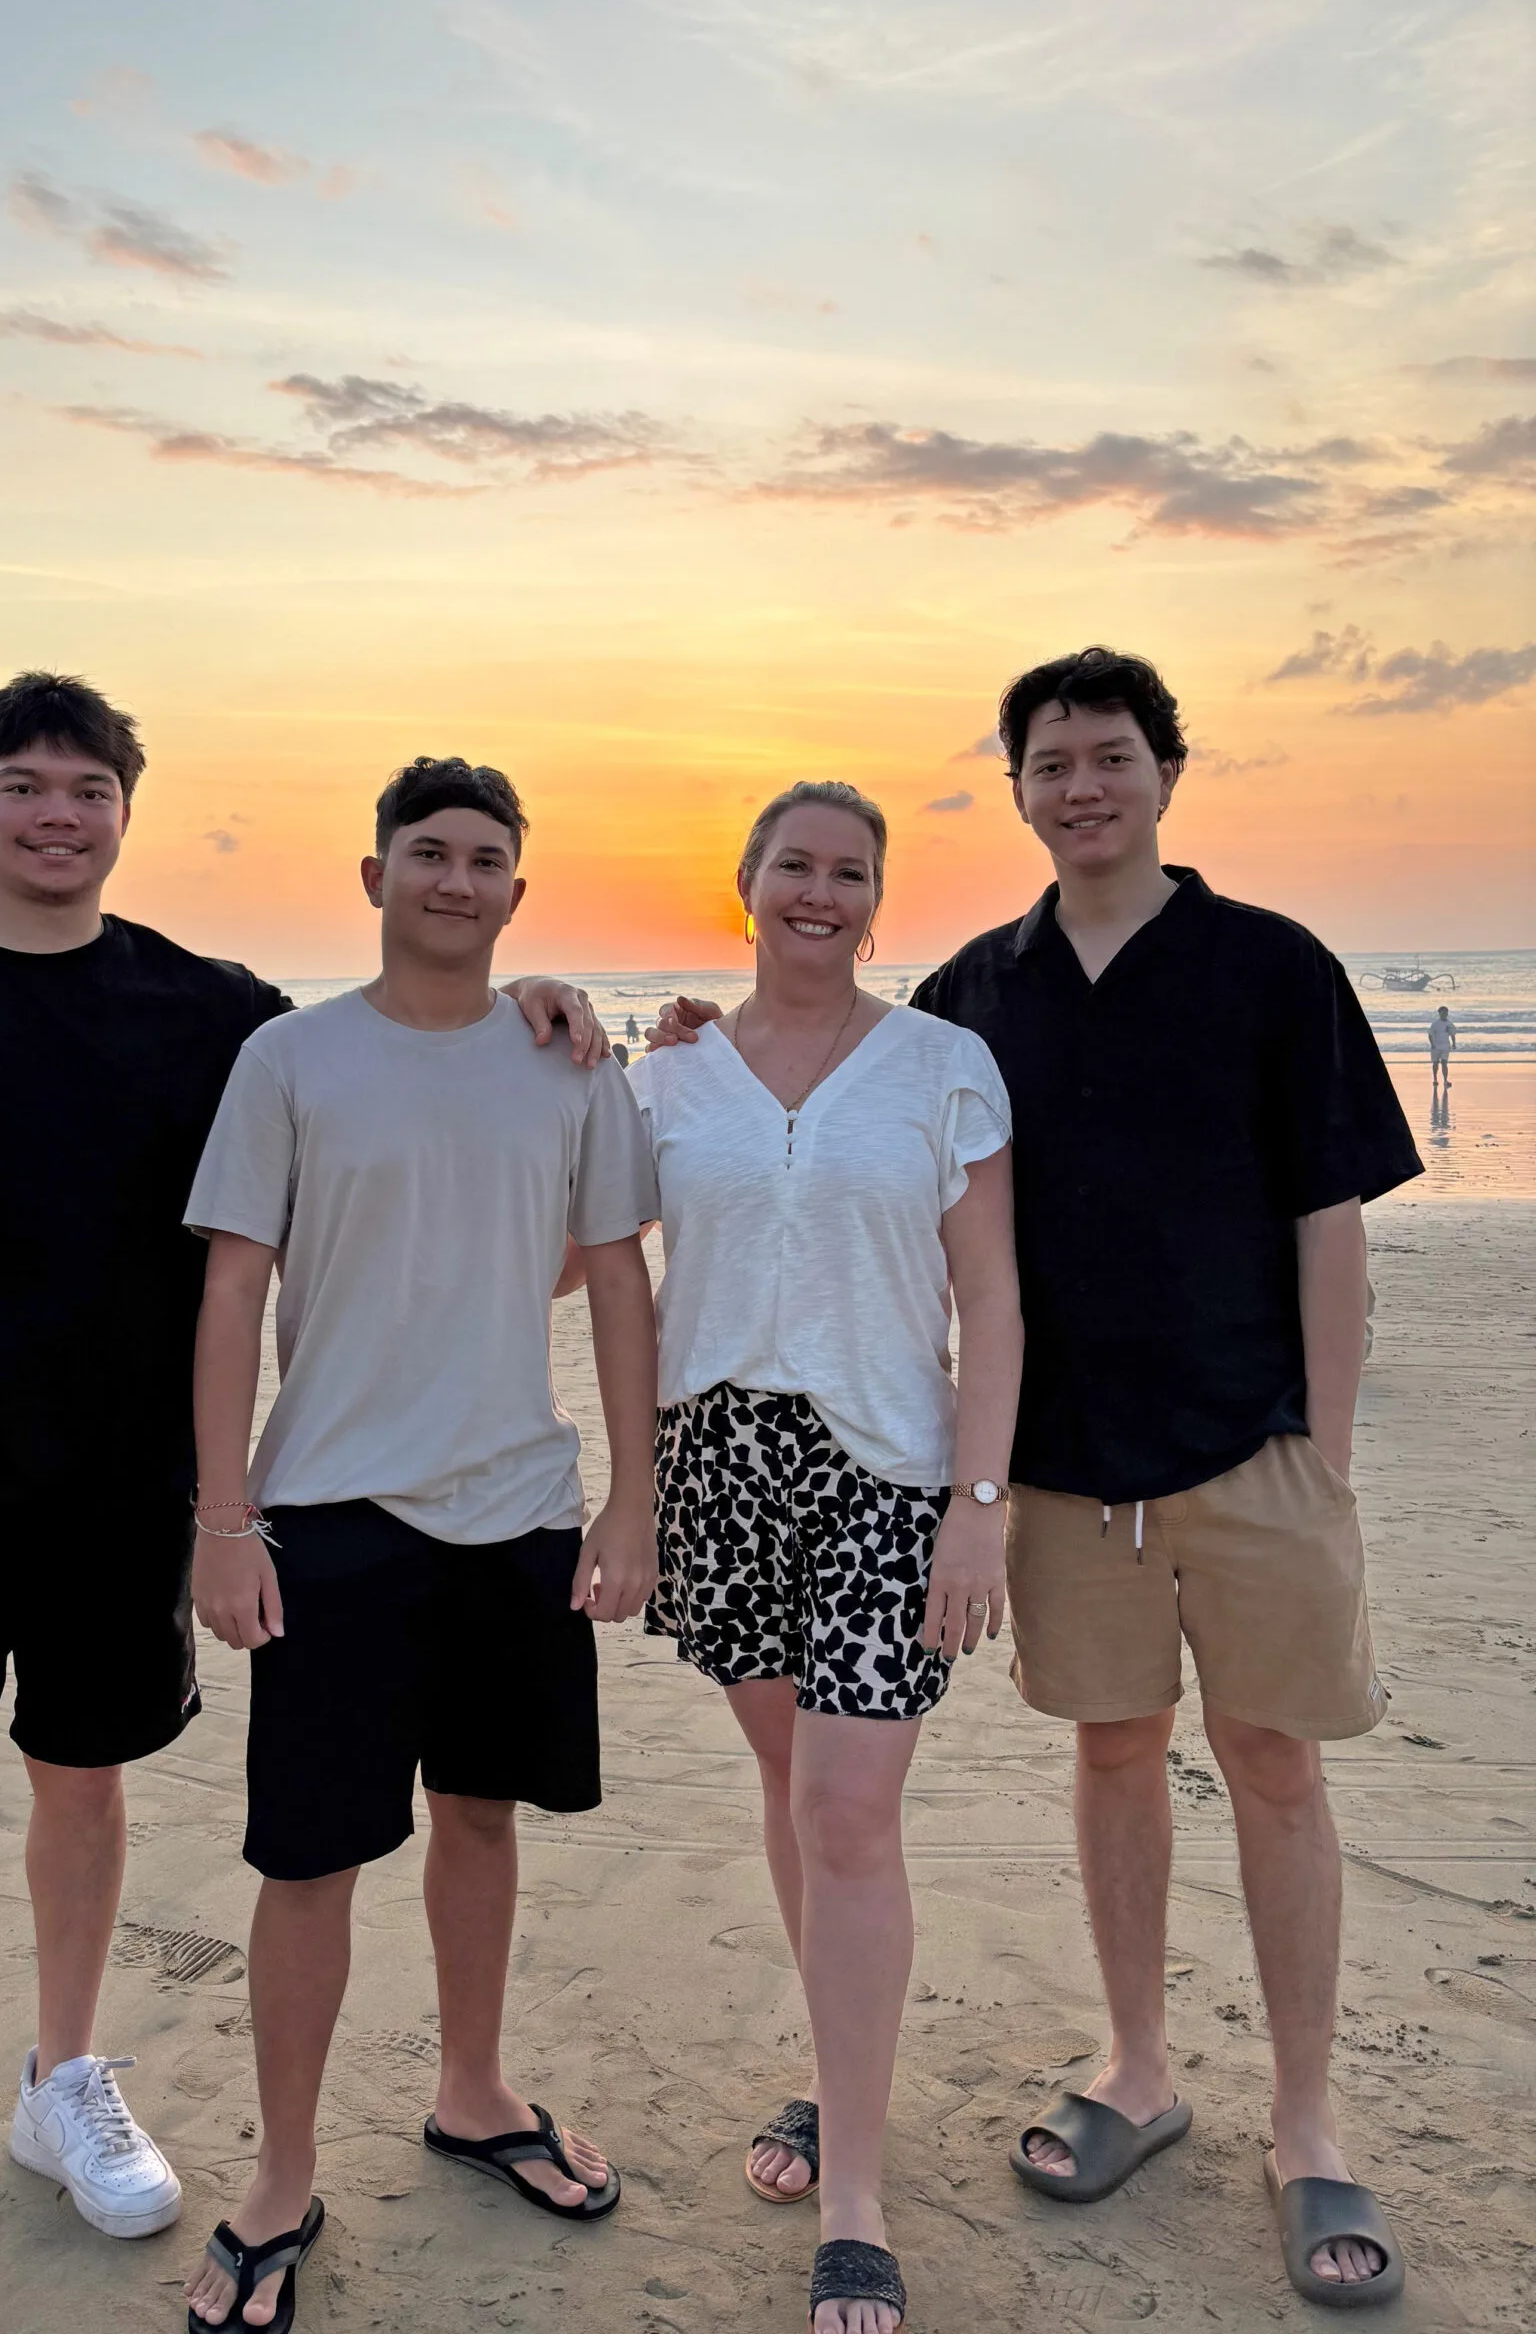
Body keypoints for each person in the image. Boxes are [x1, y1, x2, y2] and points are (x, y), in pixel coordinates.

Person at [0, 682, 603, 2334]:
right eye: (26, 788)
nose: (58, 815)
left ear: (128, 809)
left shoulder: (206, 1009)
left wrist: (523, 999)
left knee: (84, 1786)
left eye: (88, 790)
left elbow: (386, 1037)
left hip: (126, 1494)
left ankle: (64, 2080)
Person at [656, 651, 1421, 2310]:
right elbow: (827, 1102)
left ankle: (1307, 2120)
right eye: (1052, 762)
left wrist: (1327, 1452)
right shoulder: (970, 997)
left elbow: (1331, 1223)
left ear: (1164, 773)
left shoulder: (1272, 967)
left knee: (1276, 1764)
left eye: (1112, 757)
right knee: (1116, 1752)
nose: (1083, 786)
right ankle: (1138, 2070)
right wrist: (664, 1044)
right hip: (1062, 1468)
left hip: (1255, 1445)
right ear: (1013, 788)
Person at [179, 755, 659, 2334]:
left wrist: (632, 1495)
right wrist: (224, 1519)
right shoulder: (292, 1060)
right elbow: (234, 1292)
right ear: (373, 875)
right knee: (308, 1859)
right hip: (326, 1513)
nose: (455, 879)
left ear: (520, 890)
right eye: (428, 853)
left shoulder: (571, 1062)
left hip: (515, 1509)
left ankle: (473, 2092)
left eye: (485, 859)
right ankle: (279, 2173)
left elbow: (615, 1276)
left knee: (481, 1816)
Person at [618, 781, 1019, 2334]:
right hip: (720, 1460)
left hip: (891, 1470)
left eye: (851, 873)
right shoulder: (670, 1084)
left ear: (874, 899)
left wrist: (977, 1498)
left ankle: (855, 2192)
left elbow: (989, 1297)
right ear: (743, 884)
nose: (821, 892)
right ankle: (834, 2078)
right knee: (795, 1797)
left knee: (851, 1808)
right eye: (795, 865)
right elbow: (618, 1288)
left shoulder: (941, 1067)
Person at [1428, 1004, 1455, 1089]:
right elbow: (1430, 1035)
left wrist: (1454, 1043)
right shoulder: (1435, 1024)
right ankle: (1435, 1080)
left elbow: (1452, 1034)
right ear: (1439, 1013)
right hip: (1436, 1046)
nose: (1445, 1014)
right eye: (1443, 1013)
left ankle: (1445, 1081)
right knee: (1435, 1063)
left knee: (1444, 1063)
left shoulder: (1449, 1024)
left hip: (1445, 1046)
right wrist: (1432, 1044)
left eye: (1446, 1013)